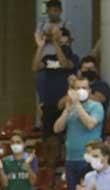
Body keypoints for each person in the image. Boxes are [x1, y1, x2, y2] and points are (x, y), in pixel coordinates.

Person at [55, 76, 105, 190]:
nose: (80, 91)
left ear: (89, 90)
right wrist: (66, 110)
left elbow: (90, 124)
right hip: (71, 160)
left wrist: (77, 105)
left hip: (90, 161)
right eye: (77, 88)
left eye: (84, 88)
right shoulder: (71, 107)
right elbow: (57, 128)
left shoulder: (96, 106)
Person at [34, 25, 79, 163]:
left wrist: (55, 42)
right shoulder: (48, 57)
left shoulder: (73, 56)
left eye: (60, 34)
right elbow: (35, 67)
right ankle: (49, 172)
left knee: (65, 137)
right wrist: (41, 46)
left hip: (66, 103)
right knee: (49, 139)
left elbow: (65, 64)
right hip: (49, 102)